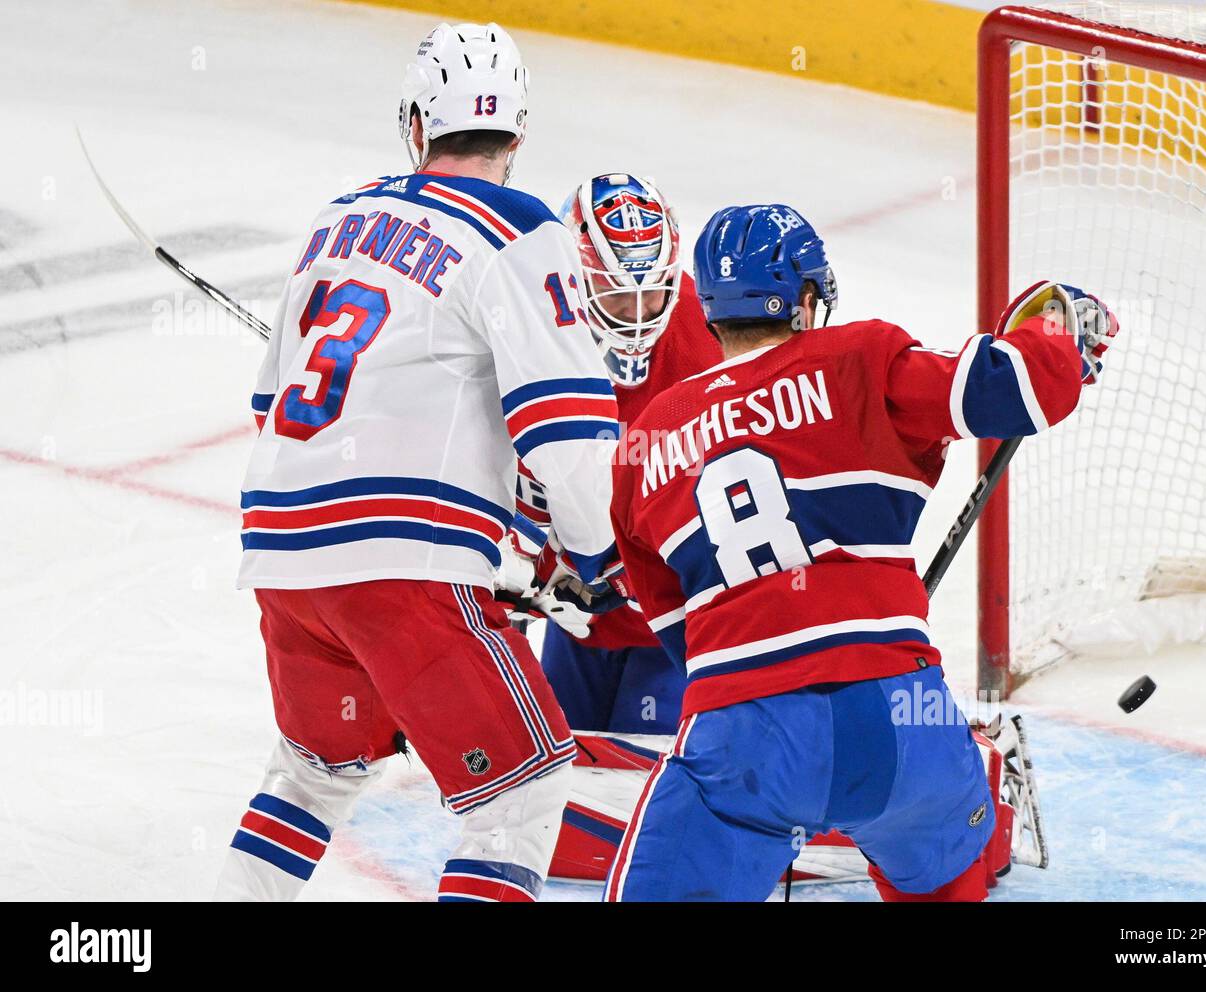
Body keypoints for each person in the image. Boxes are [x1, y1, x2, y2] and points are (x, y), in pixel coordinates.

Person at [602, 203, 1118, 901]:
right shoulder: (858, 357)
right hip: (902, 714)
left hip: (743, 728)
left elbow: (671, 623)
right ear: (807, 298)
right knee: (951, 876)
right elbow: (1010, 386)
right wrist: (1058, 335)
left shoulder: (651, 435)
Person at [216, 22, 621, 903]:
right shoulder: (519, 227)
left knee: (316, 773)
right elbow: (567, 431)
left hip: (282, 550)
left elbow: (268, 405)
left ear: (415, 125)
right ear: (519, 135)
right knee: (520, 795)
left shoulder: (339, 217)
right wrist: (597, 557)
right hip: (400, 568)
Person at [507, 174, 721, 737]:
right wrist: (534, 573)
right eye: (616, 292)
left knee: (640, 785)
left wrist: (625, 574)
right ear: (575, 281)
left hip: (675, 629)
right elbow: (503, 481)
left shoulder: (709, 338)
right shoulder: (530, 329)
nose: (636, 314)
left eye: (651, 292)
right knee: (555, 782)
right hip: (572, 622)